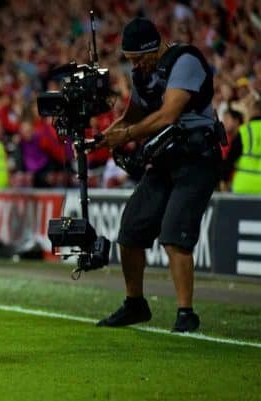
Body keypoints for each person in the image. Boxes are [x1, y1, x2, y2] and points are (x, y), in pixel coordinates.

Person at [95, 17, 223, 332]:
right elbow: (132, 116)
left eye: (139, 58)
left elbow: (168, 114)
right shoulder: (143, 74)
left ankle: (185, 313)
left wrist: (124, 136)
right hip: (165, 159)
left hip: (197, 158)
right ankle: (135, 304)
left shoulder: (185, 61)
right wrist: (98, 142)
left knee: (174, 234)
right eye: (131, 59)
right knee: (130, 230)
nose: (135, 65)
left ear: (155, 47)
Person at [221, 100, 261, 194]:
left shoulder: (246, 131)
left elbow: (230, 159)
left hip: (243, 186)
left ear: (254, 111)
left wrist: (224, 181)